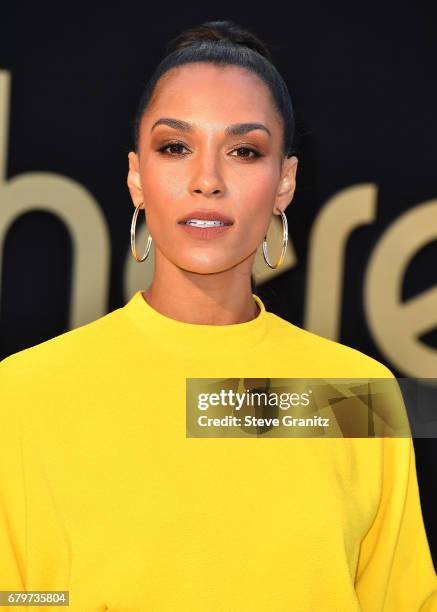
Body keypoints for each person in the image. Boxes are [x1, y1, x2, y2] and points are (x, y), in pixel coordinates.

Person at [1, 19, 437, 612]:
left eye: (244, 151)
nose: (207, 180)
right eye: (175, 147)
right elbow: (24, 597)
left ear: (284, 182)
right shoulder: (23, 393)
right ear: (136, 176)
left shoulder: (357, 396)